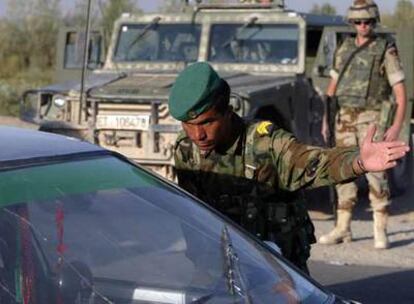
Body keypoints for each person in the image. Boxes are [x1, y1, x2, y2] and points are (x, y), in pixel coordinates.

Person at [169, 62, 409, 273]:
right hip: (223, 263)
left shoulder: (266, 143)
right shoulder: (186, 150)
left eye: (207, 122)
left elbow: (313, 162)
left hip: (278, 266)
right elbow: (193, 213)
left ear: (227, 112)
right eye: (188, 125)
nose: (198, 134)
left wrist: (358, 161)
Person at [319, 0, 407, 249]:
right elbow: (332, 88)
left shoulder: (385, 49)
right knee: (343, 171)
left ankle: (380, 229)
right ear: (351, 22)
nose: (363, 26)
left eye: (367, 21)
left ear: (374, 21)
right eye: (357, 22)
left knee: (376, 175)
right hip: (344, 118)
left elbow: (400, 93)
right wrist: (327, 118)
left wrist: (395, 126)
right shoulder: (344, 47)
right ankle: (342, 228)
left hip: (372, 119)